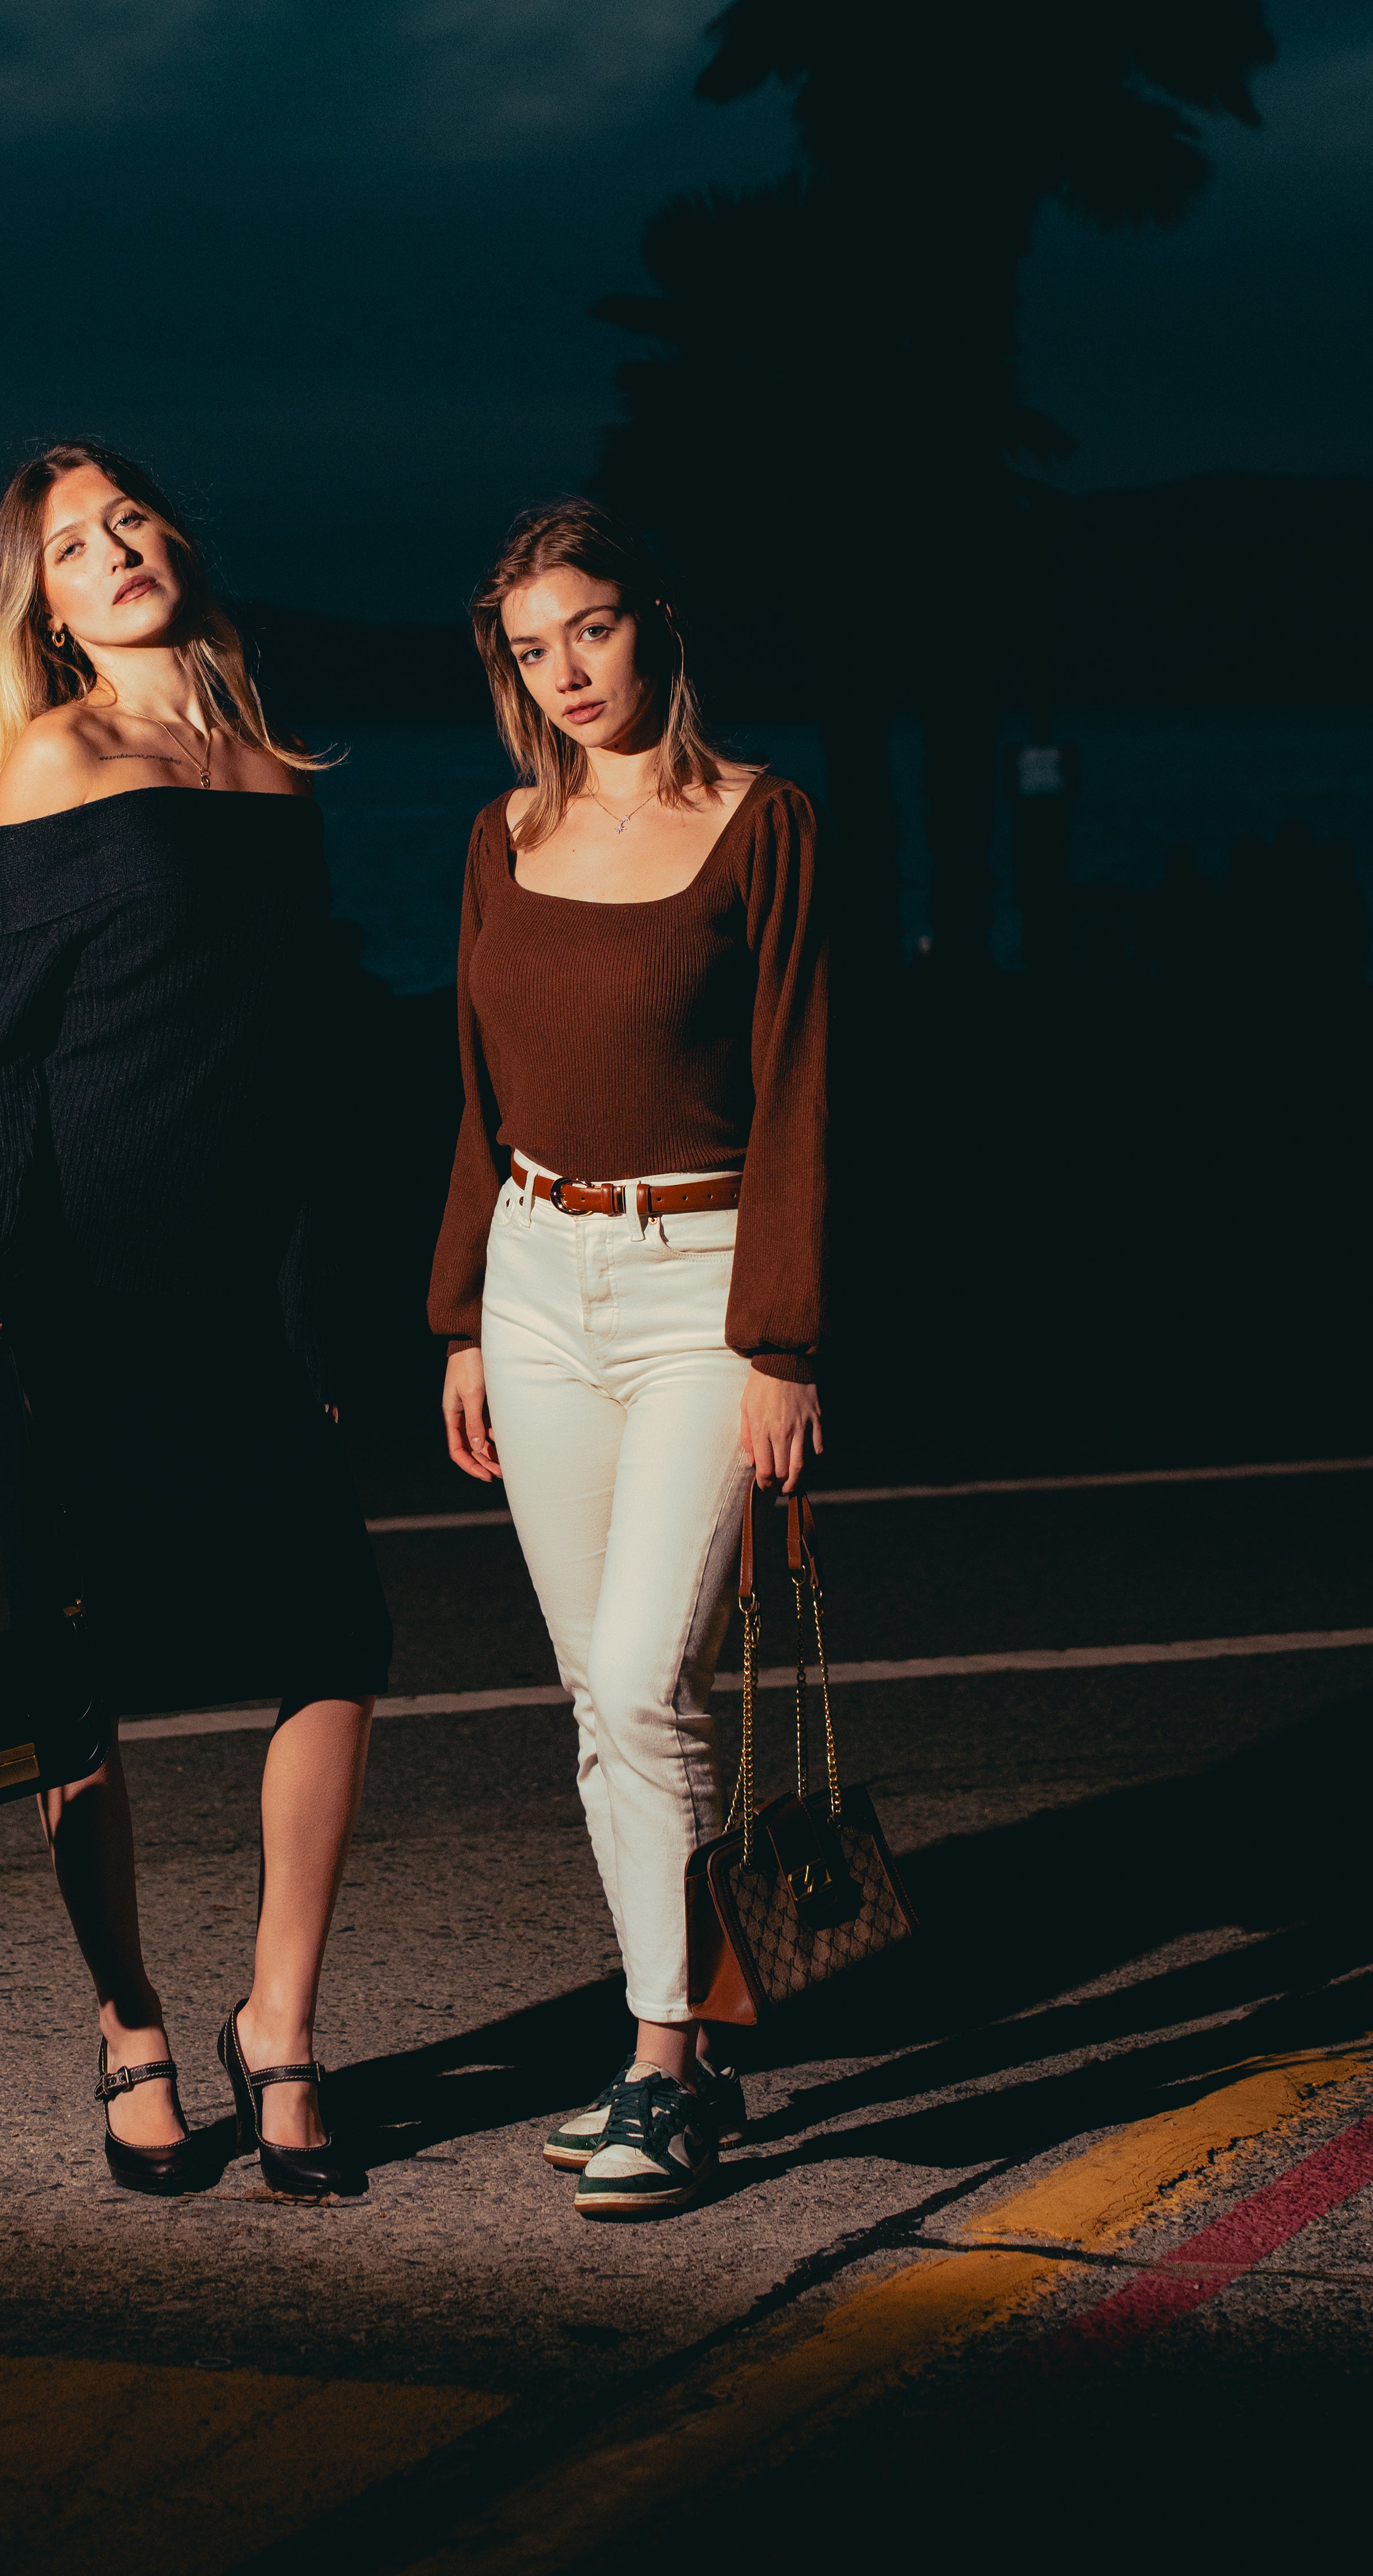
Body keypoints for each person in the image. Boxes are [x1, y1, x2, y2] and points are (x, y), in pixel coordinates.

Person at [0, 437, 391, 2200]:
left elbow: (300, 1075)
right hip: (71, 1292)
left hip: (243, 1282)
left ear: (181, 546)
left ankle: (277, 2022)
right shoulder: (52, 760)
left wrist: (320, 1297)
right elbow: (3, 1058)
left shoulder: (278, 777)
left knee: (338, 1637)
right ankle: (130, 2024)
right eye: (71, 544)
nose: (114, 549)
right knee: (78, 1685)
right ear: (38, 606)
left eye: (130, 520)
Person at [429, 499, 828, 2221]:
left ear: (652, 620)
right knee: (600, 1697)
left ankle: (664, 2062)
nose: (563, 669)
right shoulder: (501, 835)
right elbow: (474, 1085)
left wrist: (780, 1343)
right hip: (532, 1278)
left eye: (585, 627)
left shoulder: (763, 821)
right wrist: (458, 1309)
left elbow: (806, 1082)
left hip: (697, 1284)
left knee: (649, 1675)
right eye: (530, 646)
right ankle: (679, 2041)